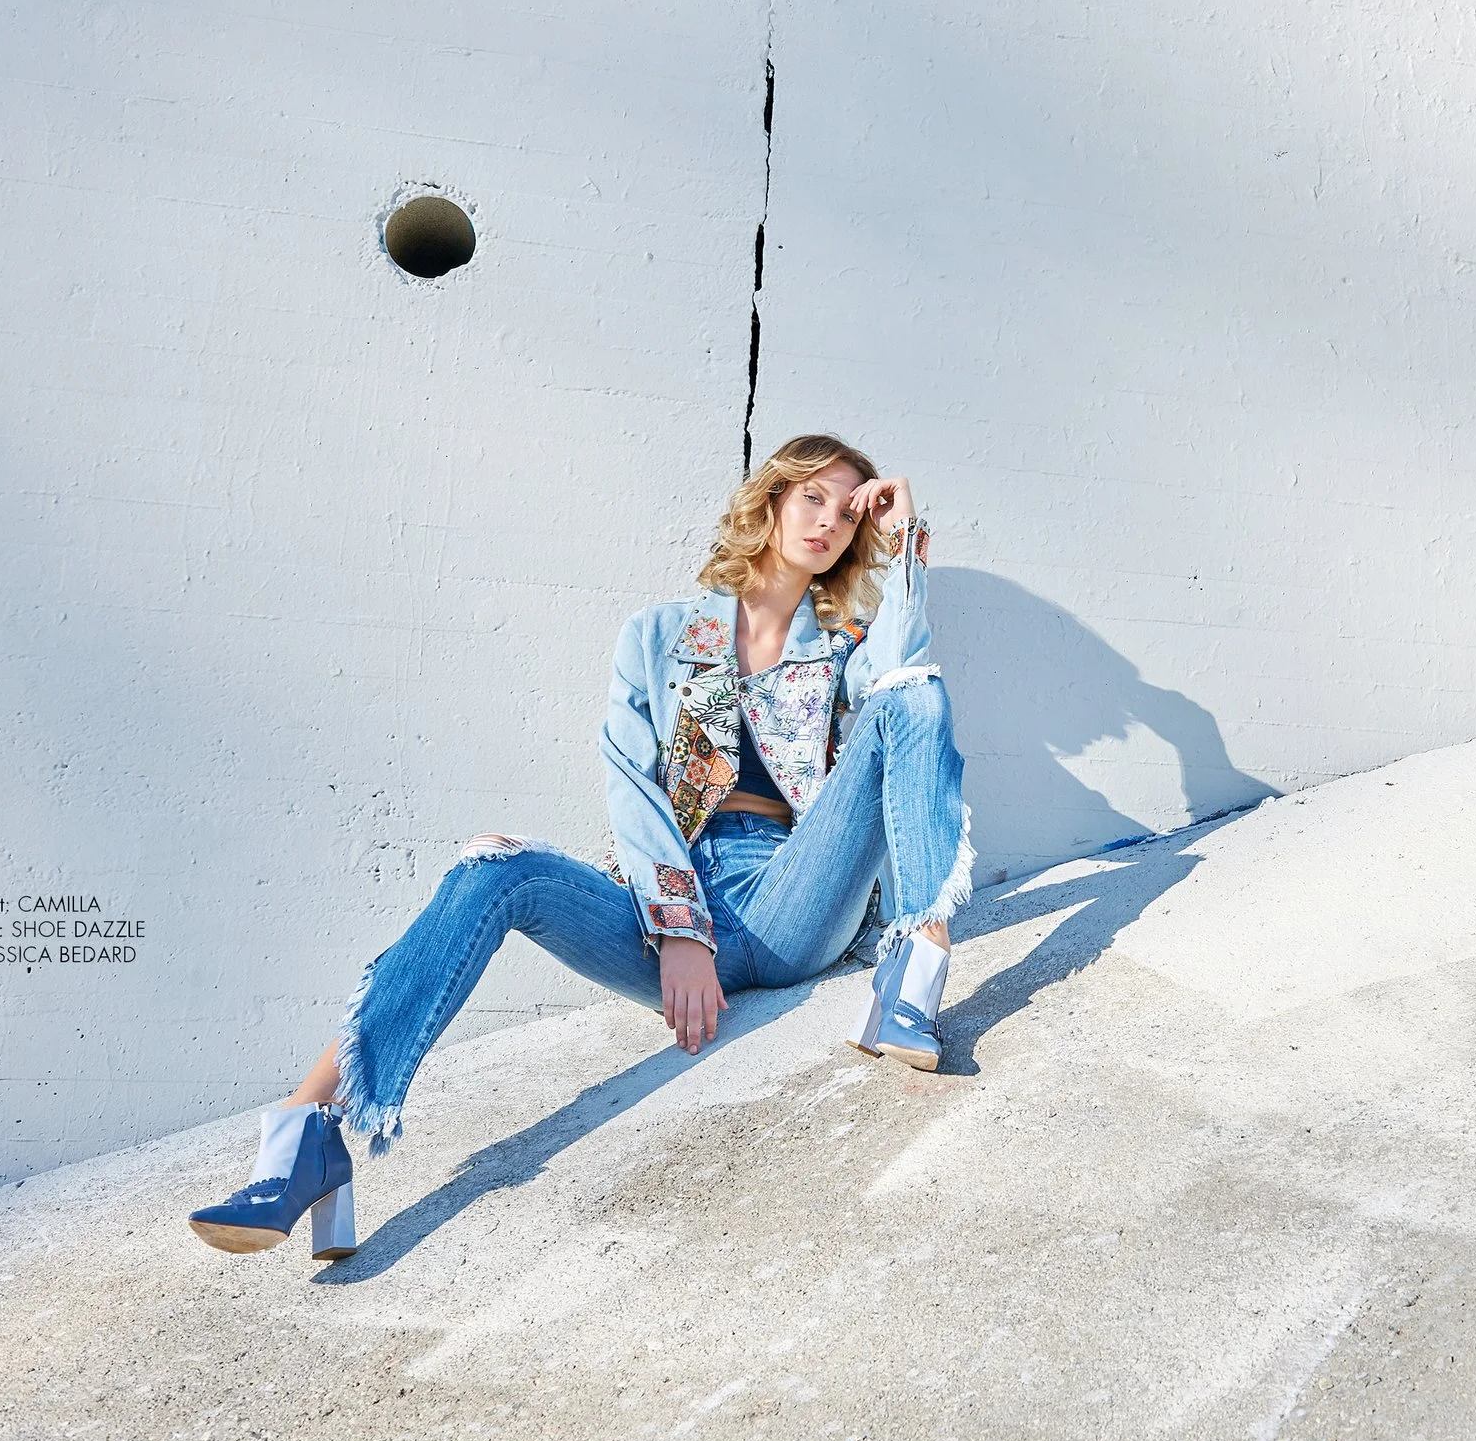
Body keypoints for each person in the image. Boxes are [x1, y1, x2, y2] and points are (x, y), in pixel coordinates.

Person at [186, 434, 971, 1261]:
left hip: (793, 895)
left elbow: (904, 675)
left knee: (912, 694)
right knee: (495, 866)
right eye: (810, 495)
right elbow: (632, 787)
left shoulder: (841, 643)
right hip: (674, 898)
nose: (825, 520)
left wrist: (904, 538)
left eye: (846, 510)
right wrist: (678, 929)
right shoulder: (661, 636)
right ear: (771, 501)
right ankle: (307, 1132)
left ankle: (915, 974)